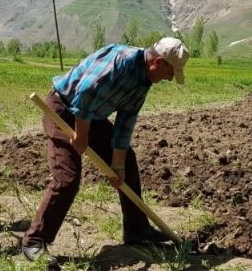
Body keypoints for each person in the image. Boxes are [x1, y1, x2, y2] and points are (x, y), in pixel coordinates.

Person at [22, 37, 190, 266]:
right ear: (158, 62)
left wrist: (117, 165)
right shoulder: (121, 61)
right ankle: (34, 240)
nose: (170, 78)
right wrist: (81, 136)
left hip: (92, 118)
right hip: (63, 110)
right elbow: (86, 95)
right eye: (171, 72)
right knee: (67, 177)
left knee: (127, 159)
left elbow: (125, 123)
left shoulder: (143, 81)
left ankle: (136, 229)